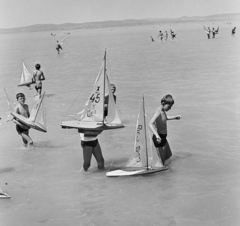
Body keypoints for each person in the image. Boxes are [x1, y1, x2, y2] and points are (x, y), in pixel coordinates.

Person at [148, 94, 181, 166]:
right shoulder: (158, 111)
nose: (170, 108)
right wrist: (157, 136)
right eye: (169, 106)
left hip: (163, 137)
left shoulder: (163, 111)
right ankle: (158, 170)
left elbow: (165, 118)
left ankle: (163, 174)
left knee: (168, 155)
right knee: (161, 160)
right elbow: (150, 123)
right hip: (159, 138)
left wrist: (175, 117)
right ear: (163, 103)